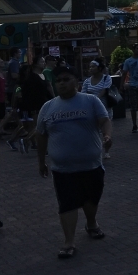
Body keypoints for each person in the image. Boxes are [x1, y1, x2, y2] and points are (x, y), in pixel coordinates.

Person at [37, 66, 112, 258]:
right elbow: (41, 136)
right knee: (67, 204)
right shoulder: (48, 107)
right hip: (63, 169)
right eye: (58, 80)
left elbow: (104, 120)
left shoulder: (90, 101)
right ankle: (69, 241)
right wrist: (41, 162)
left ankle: (92, 223)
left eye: (66, 79)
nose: (61, 83)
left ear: (76, 82)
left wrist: (107, 135)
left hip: (91, 165)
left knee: (90, 199)